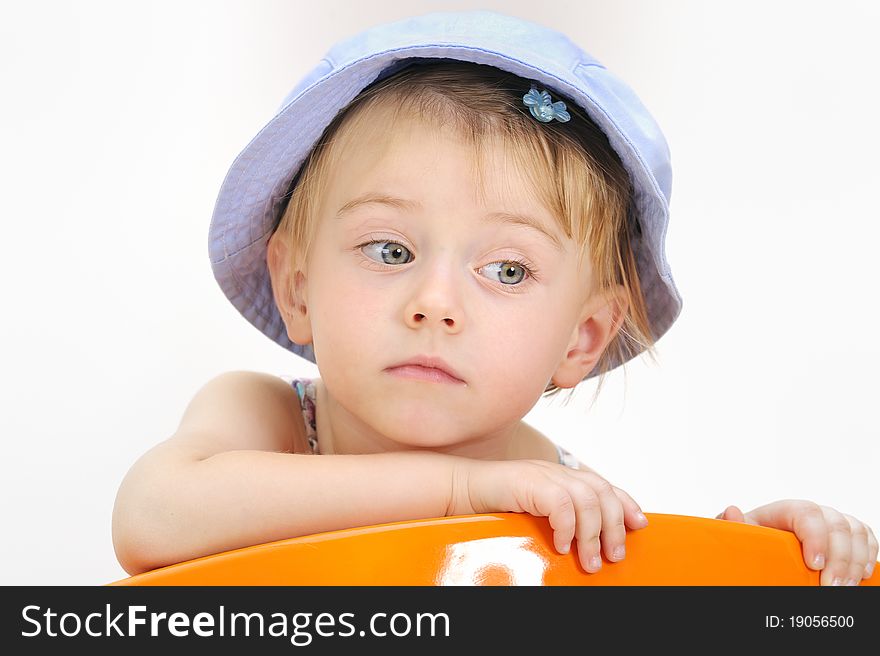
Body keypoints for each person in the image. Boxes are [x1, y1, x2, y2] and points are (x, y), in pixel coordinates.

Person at [111, 10, 877, 585]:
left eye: (508, 271)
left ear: (580, 338)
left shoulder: (562, 497)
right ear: (298, 285)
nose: (435, 303)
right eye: (391, 250)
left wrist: (762, 557)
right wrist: (462, 490)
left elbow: (646, 597)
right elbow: (151, 519)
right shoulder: (266, 420)